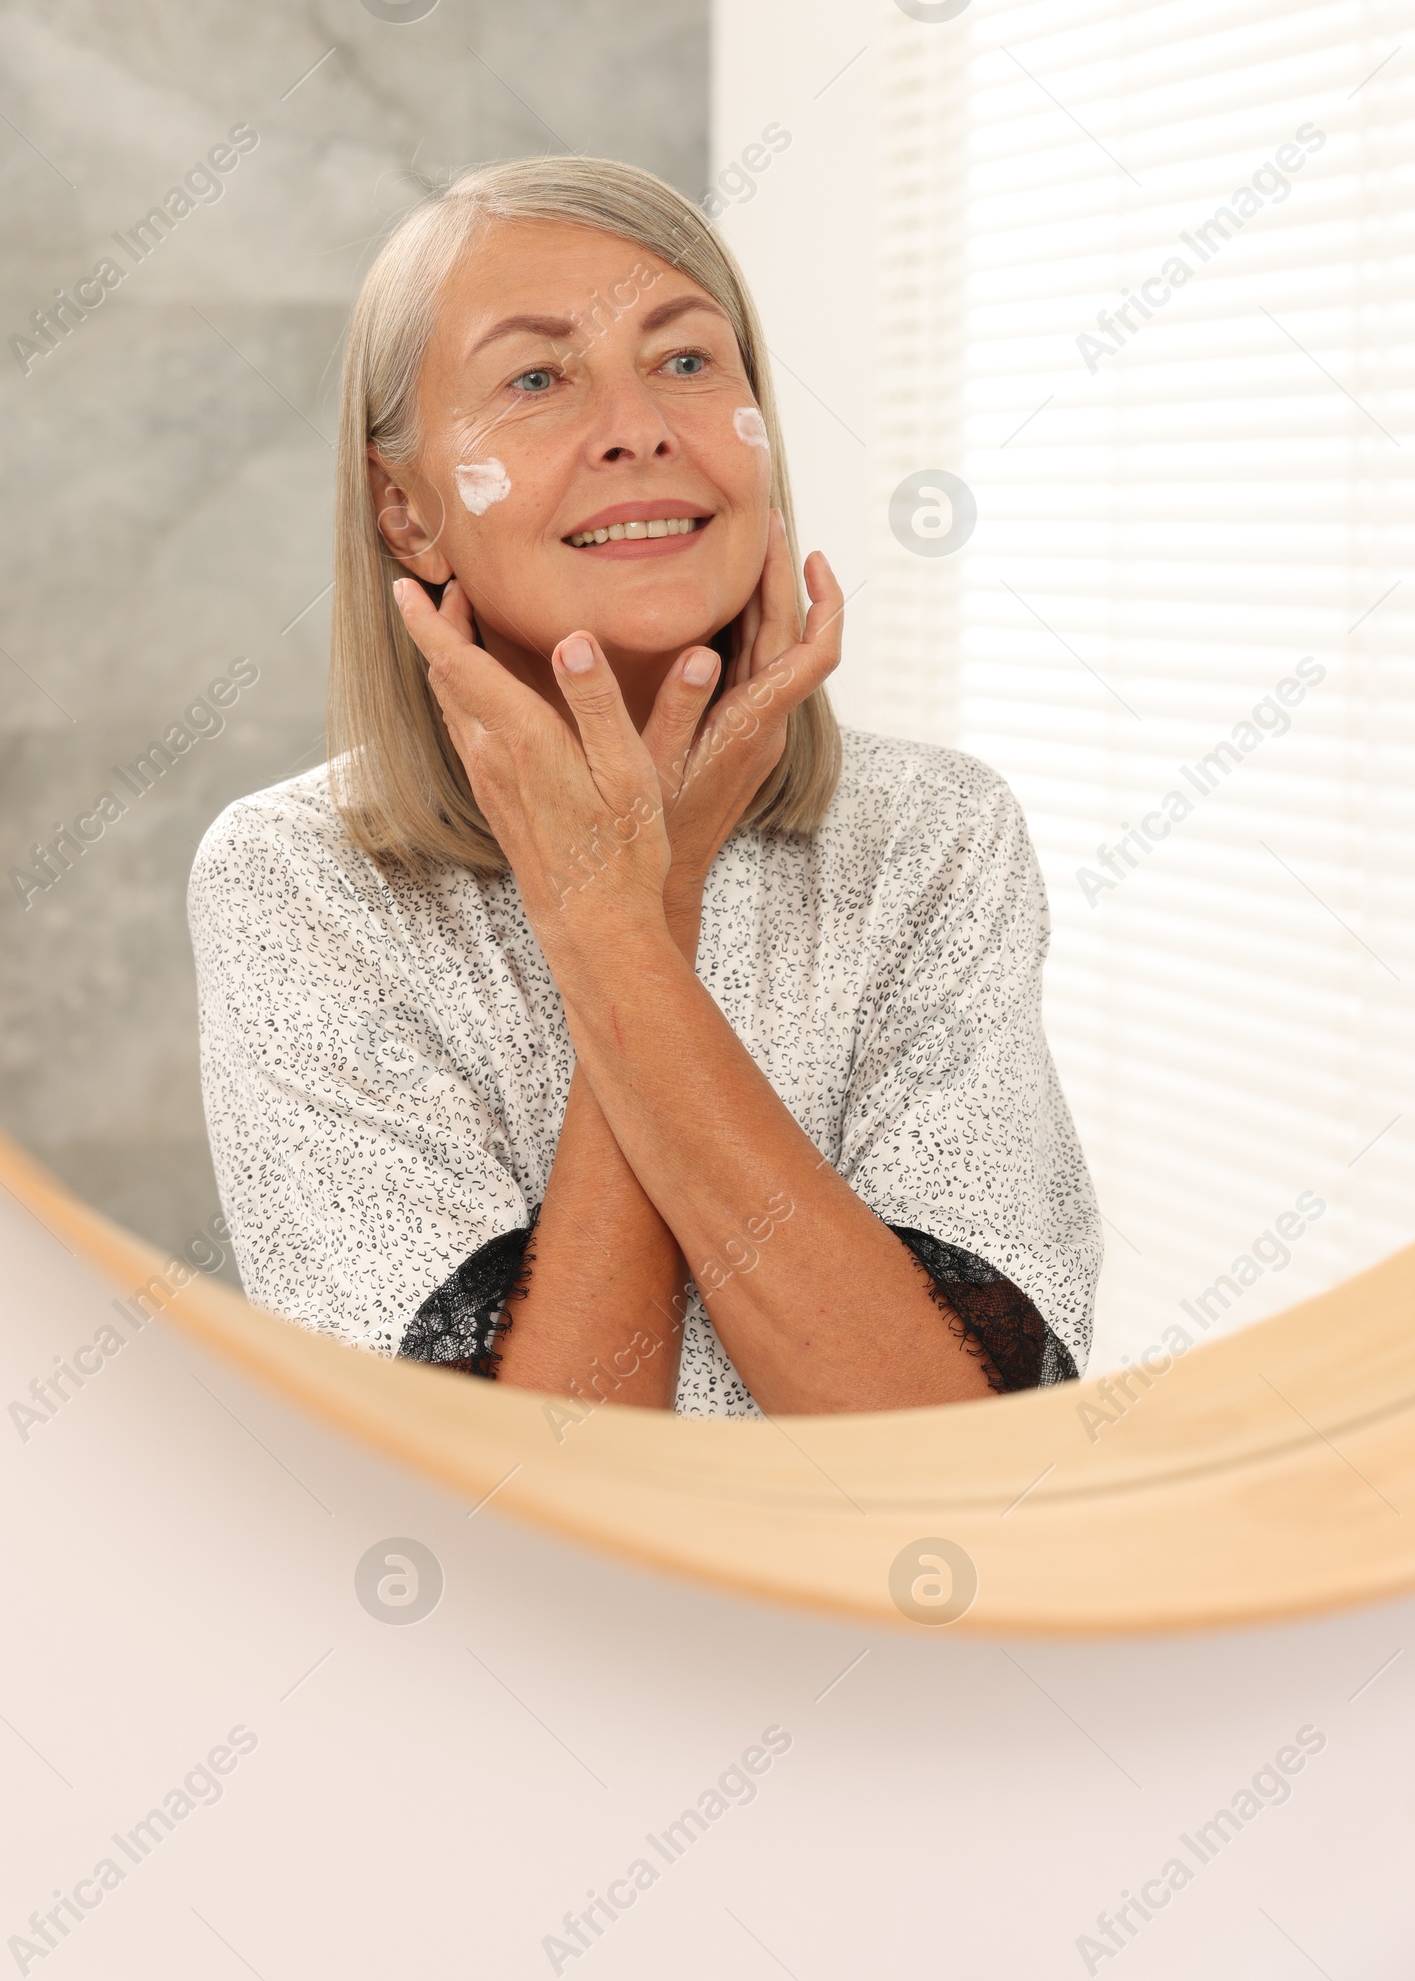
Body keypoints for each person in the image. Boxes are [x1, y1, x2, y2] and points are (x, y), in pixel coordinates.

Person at [188, 156, 1100, 1419]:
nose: (640, 426)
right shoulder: (298, 881)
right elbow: (517, 1488)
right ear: (405, 511)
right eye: (537, 377)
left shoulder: (931, 838)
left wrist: (616, 915)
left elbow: (957, 1446)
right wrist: (639, 906)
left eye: (683, 361)